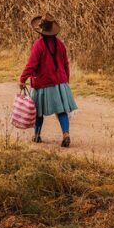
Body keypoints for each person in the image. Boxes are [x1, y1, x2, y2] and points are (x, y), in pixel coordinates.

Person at [18, 13, 78, 147]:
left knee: (38, 112)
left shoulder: (38, 44)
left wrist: (22, 79)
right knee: (61, 111)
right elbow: (66, 64)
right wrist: (65, 81)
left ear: (41, 30)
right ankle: (66, 135)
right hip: (60, 82)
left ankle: (37, 135)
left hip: (42, 83)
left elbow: (31, 64)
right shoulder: (60, 44)